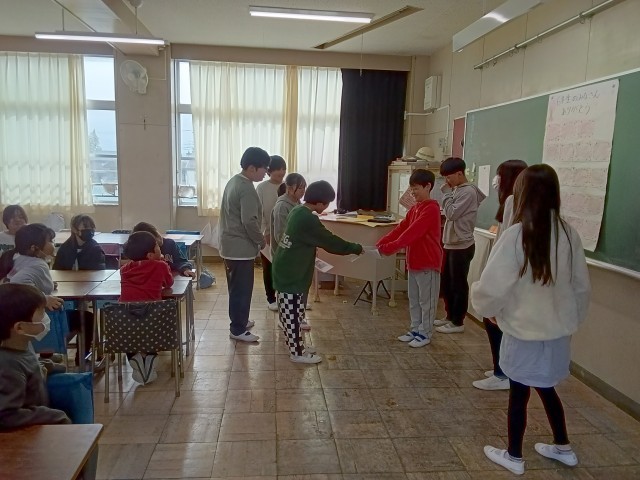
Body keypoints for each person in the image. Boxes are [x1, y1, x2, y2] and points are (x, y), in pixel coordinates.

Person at [471, 164, 591, 475]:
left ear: (522, 193)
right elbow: (581, 287)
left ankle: (514, 456)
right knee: (546, 386)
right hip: (557, 333)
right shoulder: (569, 233)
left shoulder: (517, 234)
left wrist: (486, 307)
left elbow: (493, 285)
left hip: (523, 331)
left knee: (519, 392)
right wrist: (570, 320)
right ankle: (563, 446)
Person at [272, 180, 363, 364]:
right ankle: (297, 353)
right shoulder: (308, 218)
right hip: (291, 272)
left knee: (292, 313)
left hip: (287, 268)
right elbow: (330, 241)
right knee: (292, 315)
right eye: (327, 203)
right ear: (320, 202)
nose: (327, 207)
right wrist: (355, 248)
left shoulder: (298, 210)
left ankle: (297, 345)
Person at [473, 160, 528, 391]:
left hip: (506, 272)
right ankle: (502, 368)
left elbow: (506, 240)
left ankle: (502, 373)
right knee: (497, 321)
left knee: (494, 320)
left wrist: (491, 273)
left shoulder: (513, 201)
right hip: (512, 273)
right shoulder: (518, 201)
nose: (495, 181)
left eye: (498, 175)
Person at [376, 169, 443, 348]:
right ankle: (415, 329)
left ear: (428, 186)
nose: (413, 193)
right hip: (414, 262)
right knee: (414, 300)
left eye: (416, 189)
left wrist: (389, 248)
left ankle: (425, 333)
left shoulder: (431, 209)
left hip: (428, 263)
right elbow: (400, 229)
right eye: (411, 189)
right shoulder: (414, 209)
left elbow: (411, 234)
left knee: (427, 302)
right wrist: (381, 242)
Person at [0, 283, 71, 429]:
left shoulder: (23, 345)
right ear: (20, 327)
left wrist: (45, 366)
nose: (45, 317)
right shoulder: (7, 365)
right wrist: (55, 416)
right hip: (22, 435)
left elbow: (27, 366)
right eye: (41, 313)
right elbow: (6, 416)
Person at [218, 147, 270, 343]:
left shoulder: (234, 181)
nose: (265, 173)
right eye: (264, 169)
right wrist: (260, 241)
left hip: (230, 245)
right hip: (239, 248)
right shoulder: (246, 187)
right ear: (252, 168)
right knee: (241, 290)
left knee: (237, 288)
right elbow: (249, 221)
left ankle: (241, 320)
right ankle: (238, 329)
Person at [434, 157, 486, 334]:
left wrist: (446, 194)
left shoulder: (468, 192)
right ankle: (449, 316)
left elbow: (452, 213)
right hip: (451, 243)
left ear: (459, 173)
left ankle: (458, 322)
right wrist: (449, 194)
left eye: (449, 177)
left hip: (462, 245)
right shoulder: (457, 190)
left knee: (458, 284)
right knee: (448, 283)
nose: (447, 181)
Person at [119, 231, 174, 384]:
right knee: (150, 326)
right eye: (157, 246)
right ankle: (150, 356)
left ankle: (134, 357)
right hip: (152, 321)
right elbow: (169, 283)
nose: (160, 248)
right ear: (150, 255)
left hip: (126, 321)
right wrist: (163, 263)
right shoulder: (160, 266)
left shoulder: (124, 270)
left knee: (130, 335)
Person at [52, 214, 105, 365]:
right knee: (71, 316)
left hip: (88, 289)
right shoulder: (65, 248)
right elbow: (57, 271)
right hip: (65, 291)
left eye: (91, 227)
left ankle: (82, 356)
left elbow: (98, 272)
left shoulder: (95, 248)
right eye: (85, 227)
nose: (89, 230)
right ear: (75, 230)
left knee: (85, 316)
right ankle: (53, 349)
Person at [270, 173, 314, 325]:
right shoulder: (282, 206)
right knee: (287, 291)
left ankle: (298, 317)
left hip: (297, 254)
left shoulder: (298, 203)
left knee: (299, 288)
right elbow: (280, 235)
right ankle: (285, 320)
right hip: (286, 256)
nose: (303, 191)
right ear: (289, 188)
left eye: (304, 187)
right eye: (300, 188)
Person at [0, 224, 63, 313]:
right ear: (34, 248)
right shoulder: (38, 264)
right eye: (50, 241)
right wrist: (44, 299)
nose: (53, 243)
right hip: (24, 312)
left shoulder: (16, 257)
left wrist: (45, 283)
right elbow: (17, 282)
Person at [256, 155, 287, 311]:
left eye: (283, 168)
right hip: (267, 233)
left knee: (284, 267)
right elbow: (259, 212)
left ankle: (286, 297)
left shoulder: (288, 186)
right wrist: (265, 232)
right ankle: (271, 298)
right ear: (269, 171)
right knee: (268, 266)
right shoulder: (261, 188)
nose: (281, 172)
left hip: (285, 234)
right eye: (277, 169)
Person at [131, 222, 195, 278]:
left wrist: (186, 269)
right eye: (155, 242)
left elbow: (181, 261)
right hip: (153, 281)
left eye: (158, 235)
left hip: (172, 279)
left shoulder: (170, 244)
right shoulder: (142, 252)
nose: (160, 240)